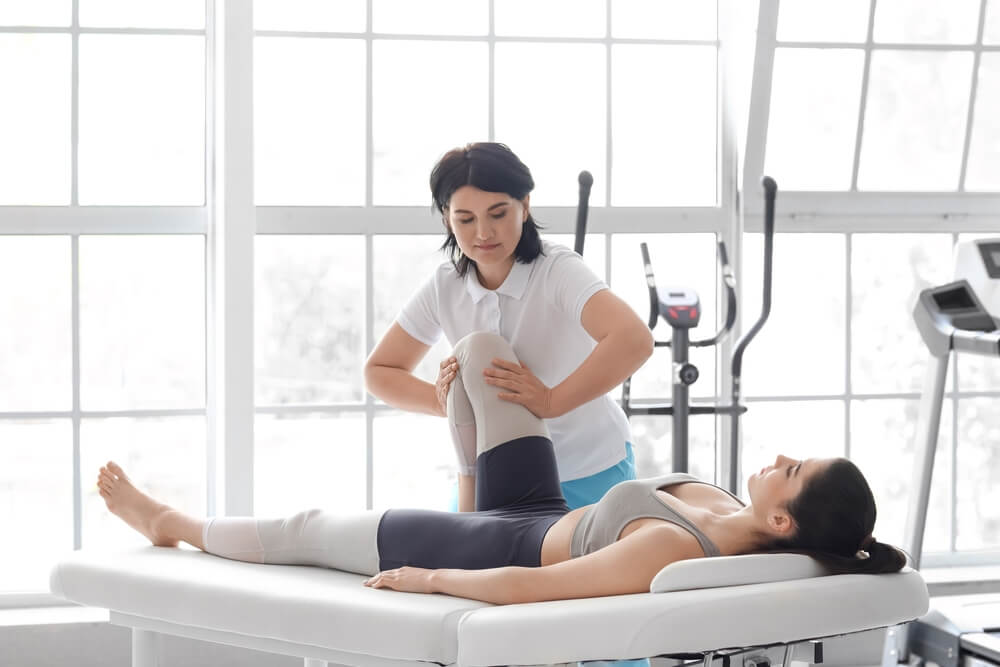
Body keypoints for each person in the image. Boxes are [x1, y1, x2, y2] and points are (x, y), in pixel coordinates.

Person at [98, 332, 906, 606]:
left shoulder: (677, 549)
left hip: (507, 545)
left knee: (310, 527)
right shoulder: (726, 499)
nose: (775, 457)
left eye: (791, 467)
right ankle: (464, 469)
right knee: (480, 356)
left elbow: (540, 587)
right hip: (535, 503)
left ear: (782, 521)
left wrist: (431, 579)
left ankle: (174, 523)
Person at [364, 142, 654, 512]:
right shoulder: (446, 284)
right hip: (492, 470)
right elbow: (379, 371)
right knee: (466, 561)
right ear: (446, 218)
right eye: (465, 219)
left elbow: (634, 339)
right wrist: (443, 402)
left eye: (498, 214)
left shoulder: (556, 270)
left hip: (584, 468)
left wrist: (551, 401)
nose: (483, 232)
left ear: (525, 206)